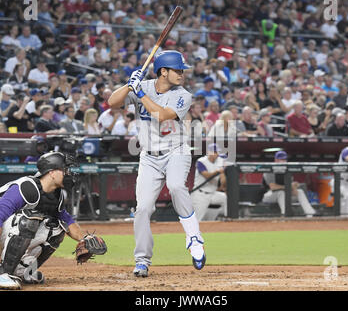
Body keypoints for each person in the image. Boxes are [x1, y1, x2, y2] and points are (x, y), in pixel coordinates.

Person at [108, 50, 206, 277]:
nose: (182, 74)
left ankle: (194, 238)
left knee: (176, 186)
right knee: (142, 209)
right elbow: (112, 102)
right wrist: (128, 85)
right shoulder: (145, 85)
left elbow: (161, 114)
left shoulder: (183, 94)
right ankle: (142, 260)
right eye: (178, 70)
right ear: (164, 71)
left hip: (176, 151)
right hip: (149, 157)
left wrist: (139, 91)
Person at [0, 152, 84, 289]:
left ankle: (24, 271)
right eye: (65, 170)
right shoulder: (26, 187)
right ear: (52, 173)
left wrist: (85, 238)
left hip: (9, 231)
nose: (69, 174)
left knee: (56, 228)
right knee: (29, 220)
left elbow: (67, 221)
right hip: (3, 227)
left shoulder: (56, 195)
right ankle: (3, 273)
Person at [262, 151, 317, 217]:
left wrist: (294, 187)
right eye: (281, 159)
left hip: (284, 194)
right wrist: (288, 186)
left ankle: (310, 214)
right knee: (281, 193)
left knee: (300, 192)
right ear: (276, 160)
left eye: (284, 159)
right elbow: (273, 187)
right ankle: (285, 215)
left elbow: (290, 186)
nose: (283, 161)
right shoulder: (270, 170)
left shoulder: (287, 170)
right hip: (269, 195)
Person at [191, 143, 227, 221]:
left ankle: (227, 217)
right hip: (200, 194)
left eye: (217, 152)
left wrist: (223, 174)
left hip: (213, 193)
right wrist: (217, 171)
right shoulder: (201, 161)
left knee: (225, 198)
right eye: (215, 152)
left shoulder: (219, 161)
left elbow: (223, 181)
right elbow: (206, 175)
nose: (217, 154)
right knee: (197, 220)